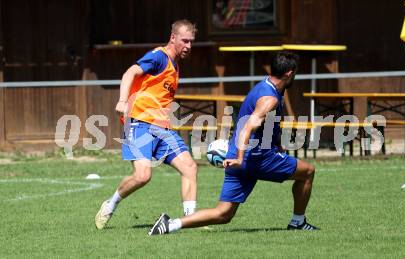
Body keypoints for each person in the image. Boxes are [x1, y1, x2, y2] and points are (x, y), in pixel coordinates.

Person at [148, 51, 319, 235]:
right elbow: (247, 127)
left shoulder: (265, 87)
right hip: (256, 157)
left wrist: (275, 142)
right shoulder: (270, 98)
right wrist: (239, 158)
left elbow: (267, 123)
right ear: (289, 73)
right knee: (308, 172)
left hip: (241, 154)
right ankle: (298, 222)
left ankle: (170, 225)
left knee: (224, 213)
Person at [95, 20, 198, 230]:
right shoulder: (159, 57)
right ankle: (110, 204)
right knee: (143, 176)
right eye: (185, 40)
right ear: (173, 38)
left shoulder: (175, 64)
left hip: (162, 127)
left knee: (189, 167)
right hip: (139, 122)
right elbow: (129, 73)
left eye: (191, 42)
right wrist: (123, 101)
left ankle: (191, 220)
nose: (188, 45)